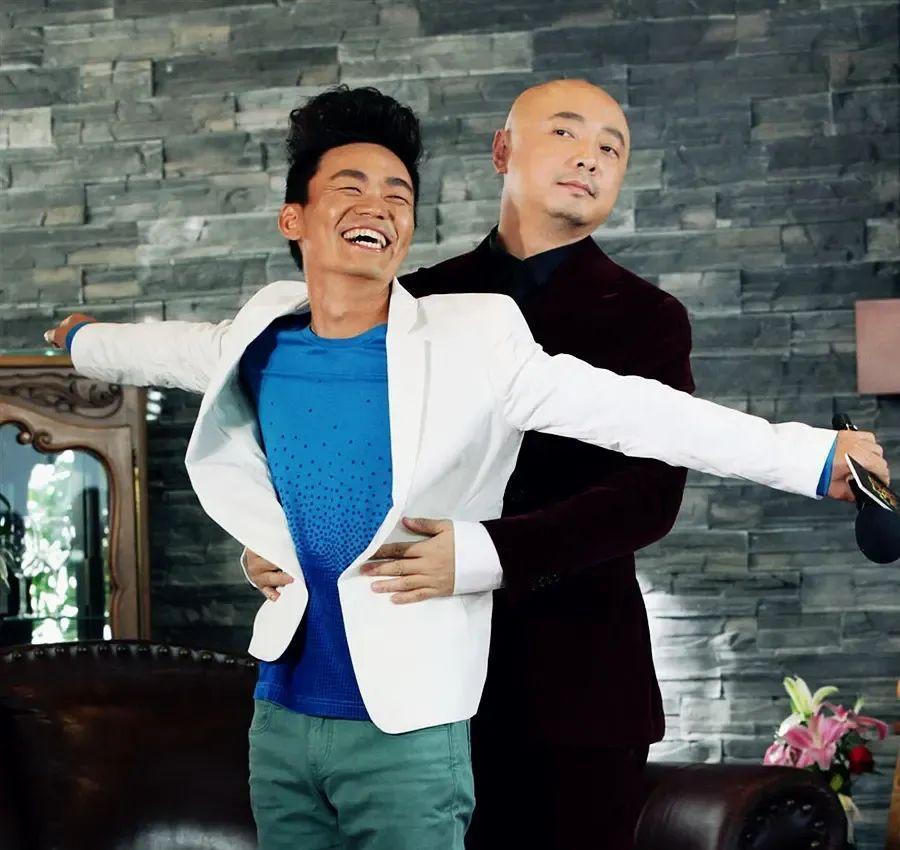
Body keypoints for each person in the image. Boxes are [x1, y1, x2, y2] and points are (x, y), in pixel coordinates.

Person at [46, 85, 887, 850]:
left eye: (613, 146)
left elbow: (653, 435)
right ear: (503, 150)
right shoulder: (368, 309)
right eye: (567, 132)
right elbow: (186, 357)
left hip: (553, 689)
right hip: (345, 684)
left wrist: (812, 455)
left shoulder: (509, 332)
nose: (591, 156)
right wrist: (85, 342)